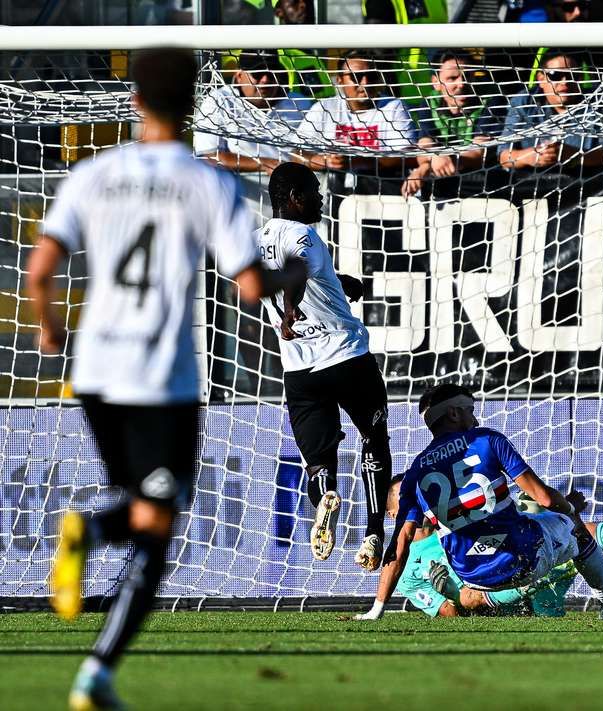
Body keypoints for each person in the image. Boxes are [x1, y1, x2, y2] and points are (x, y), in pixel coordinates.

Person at [26, 47, 303, 710]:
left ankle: (97, 670)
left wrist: (50, 328)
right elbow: (249, 286)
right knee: (157, 525)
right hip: (160, 376)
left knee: (147, 509)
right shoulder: (209, 182)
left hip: (96, 369)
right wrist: (295, 272)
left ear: (135, 101)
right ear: (193, 106)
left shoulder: (94, 173)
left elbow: (39, 270)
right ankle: (92, 571)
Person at [365, 384, 603, 621]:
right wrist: (571, 509)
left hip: (474, 579)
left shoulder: (414, 472)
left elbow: (400, 545)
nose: (475, 419)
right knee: (575, 527)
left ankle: (532, 599)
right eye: (470, 411)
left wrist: (377, 609)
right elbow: (544, 497)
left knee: (525, 525)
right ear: (453, 413)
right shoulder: (486, 440)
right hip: (521, 559)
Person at [256, 162, 393, 571]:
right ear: (295, 197)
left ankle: (325, 497)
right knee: (373, 436)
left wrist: (338, 282)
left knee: (318, 460)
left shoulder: (254, 242)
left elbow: (296, 275)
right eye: (314, 192)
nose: (320, 198)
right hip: (346, 357)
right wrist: (292, 308)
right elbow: (297, 269)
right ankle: (373, 530)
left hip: (299, 370)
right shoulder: (304, 235)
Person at [357, 480, 603, 619]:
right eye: (406, 500)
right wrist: (447, 590)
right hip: (503, 594)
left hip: (521, 563)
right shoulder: (407, 571)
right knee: (482, 596)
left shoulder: (454, 521)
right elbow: (452, 611)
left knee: (584, 530)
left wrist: (557, 508)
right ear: (393, 514)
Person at [401, 53, 507, 197]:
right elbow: (425, 144)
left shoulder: (492, 101)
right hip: (443, 176)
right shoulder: (428, 103)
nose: (462, 83)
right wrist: (428, 163)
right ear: (436, 82)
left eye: (467, 76)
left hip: (485, 182)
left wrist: (433, 162)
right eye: (452, 78)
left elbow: (478, 154)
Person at [296, 51, 415, 174]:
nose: (365, 83)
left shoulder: (394, 107)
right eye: (356, 77)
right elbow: (296, 154)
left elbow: (406, 156)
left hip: (380, 184)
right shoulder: (324, 108)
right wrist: (325, 161)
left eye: (372, 76)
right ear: (340, 80)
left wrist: (355, 162)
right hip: (332, 184)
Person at [194, 51, 310, 174]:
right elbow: (208, 157)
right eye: (257, 73)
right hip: (238, 185)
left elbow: (311, 153)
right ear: (239, 76)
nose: (265, 80)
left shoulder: (300, 103)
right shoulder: (219, 101)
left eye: (271, 73)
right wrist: (264, 164)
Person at [500, 50, 603, 173]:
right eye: (555, 75)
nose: (565, 81)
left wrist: (572, 155)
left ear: (580, 78)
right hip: (530, 180)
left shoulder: (598, 102)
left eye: (573, 75)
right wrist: (529, 156)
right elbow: (503, 157)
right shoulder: (524, 102)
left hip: (585, 180)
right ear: (541, 79)